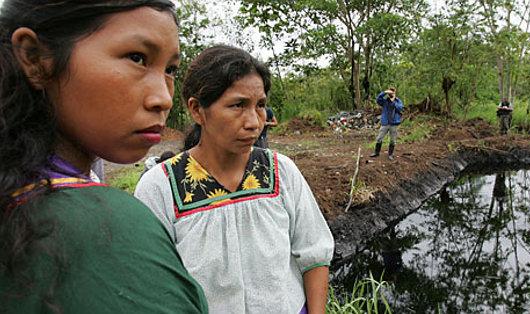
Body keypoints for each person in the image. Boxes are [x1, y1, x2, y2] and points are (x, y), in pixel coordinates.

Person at [0, 1, 208, 312]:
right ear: (35, 58)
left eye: (170, 70)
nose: (163, 98)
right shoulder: (109, 228)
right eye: (137, 58)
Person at [135, 45, 334, 314]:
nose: (254, 122)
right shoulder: (161, 186)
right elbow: (153, 285)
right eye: (238, 105)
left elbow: (314, 254)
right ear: (197, 110)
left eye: (260, 105)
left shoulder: (280, 171)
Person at [370, 87, 404, 160]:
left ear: (395, 93)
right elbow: (378, 99)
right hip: (385, 123)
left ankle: (390, 154)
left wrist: (393, 100)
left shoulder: (398, 101)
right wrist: (384, 92)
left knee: (393, 140)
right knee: (379, 138)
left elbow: (400, 108)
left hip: (394, 124)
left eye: (392, 92)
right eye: (390, 92)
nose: (391, 94)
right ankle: (376, 152)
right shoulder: (385, 101)